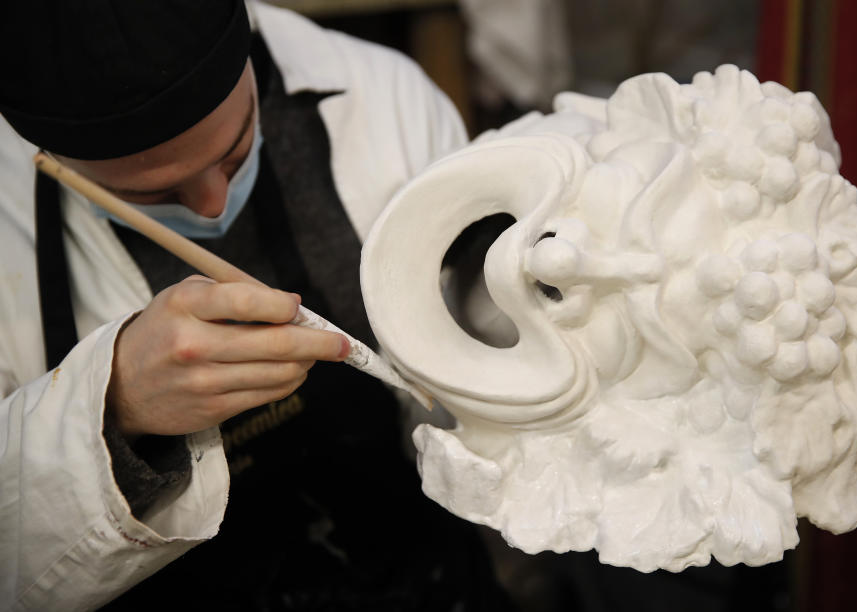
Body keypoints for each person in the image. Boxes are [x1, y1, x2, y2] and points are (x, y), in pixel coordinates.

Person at [0, 1, 513, 610]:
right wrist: (114, 405)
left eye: (237, 147)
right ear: (50, 157)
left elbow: (485, 337)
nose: (213, 207)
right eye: (153, 193)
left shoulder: (384, 94)